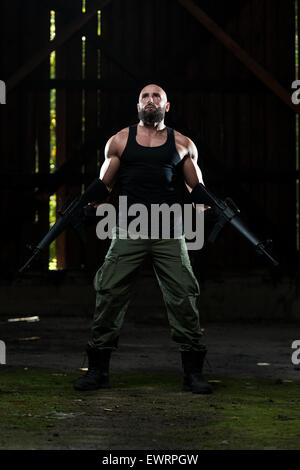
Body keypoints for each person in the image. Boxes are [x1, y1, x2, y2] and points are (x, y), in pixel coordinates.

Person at [74, 84, 212, 394]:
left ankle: (193, 374)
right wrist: (90, 207)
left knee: (183, 294)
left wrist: (206, 210)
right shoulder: (120, 141)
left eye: (156, 97)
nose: (150, 101)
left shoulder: (182, 144)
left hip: (169, 231)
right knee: (109, 291)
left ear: (167, 105)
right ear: (138, 105)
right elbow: (103, 186)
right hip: (128, 230)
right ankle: (98, 371)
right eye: (145, 97)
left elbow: (196, 190)